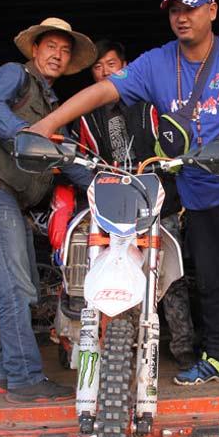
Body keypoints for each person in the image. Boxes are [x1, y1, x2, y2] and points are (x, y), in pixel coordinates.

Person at [28, 0, 219, 392]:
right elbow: (104, 91)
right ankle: (217, 358)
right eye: (175, 11)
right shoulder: (156, 63)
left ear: (212, 10)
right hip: (197, 192)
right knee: (211, 279)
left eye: (191, 8)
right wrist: (47, 124)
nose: (182, 17)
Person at [0, 18, 97, 403]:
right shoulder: (13, 74)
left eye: (65, 51)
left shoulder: (53, 105)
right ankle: (24, 378)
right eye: (51, 46)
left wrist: (101, 183)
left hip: (9, 200)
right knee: (16, 286)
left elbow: (66, 158)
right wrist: (28, 134)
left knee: (26, 285)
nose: (58, 55)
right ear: (35, 50)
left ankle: (9, 374)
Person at [75, 39, 197, 370]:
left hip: (157, 201)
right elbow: (85, 158)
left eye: (111, 65)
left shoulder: (149, 105)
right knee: (115, 271)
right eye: (97, 67)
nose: (104, 72)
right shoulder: (87, 117)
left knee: (169, 275)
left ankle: (183, 346)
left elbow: (173, 144)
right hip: (113, 206)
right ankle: (123, 345)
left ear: (125, 67)